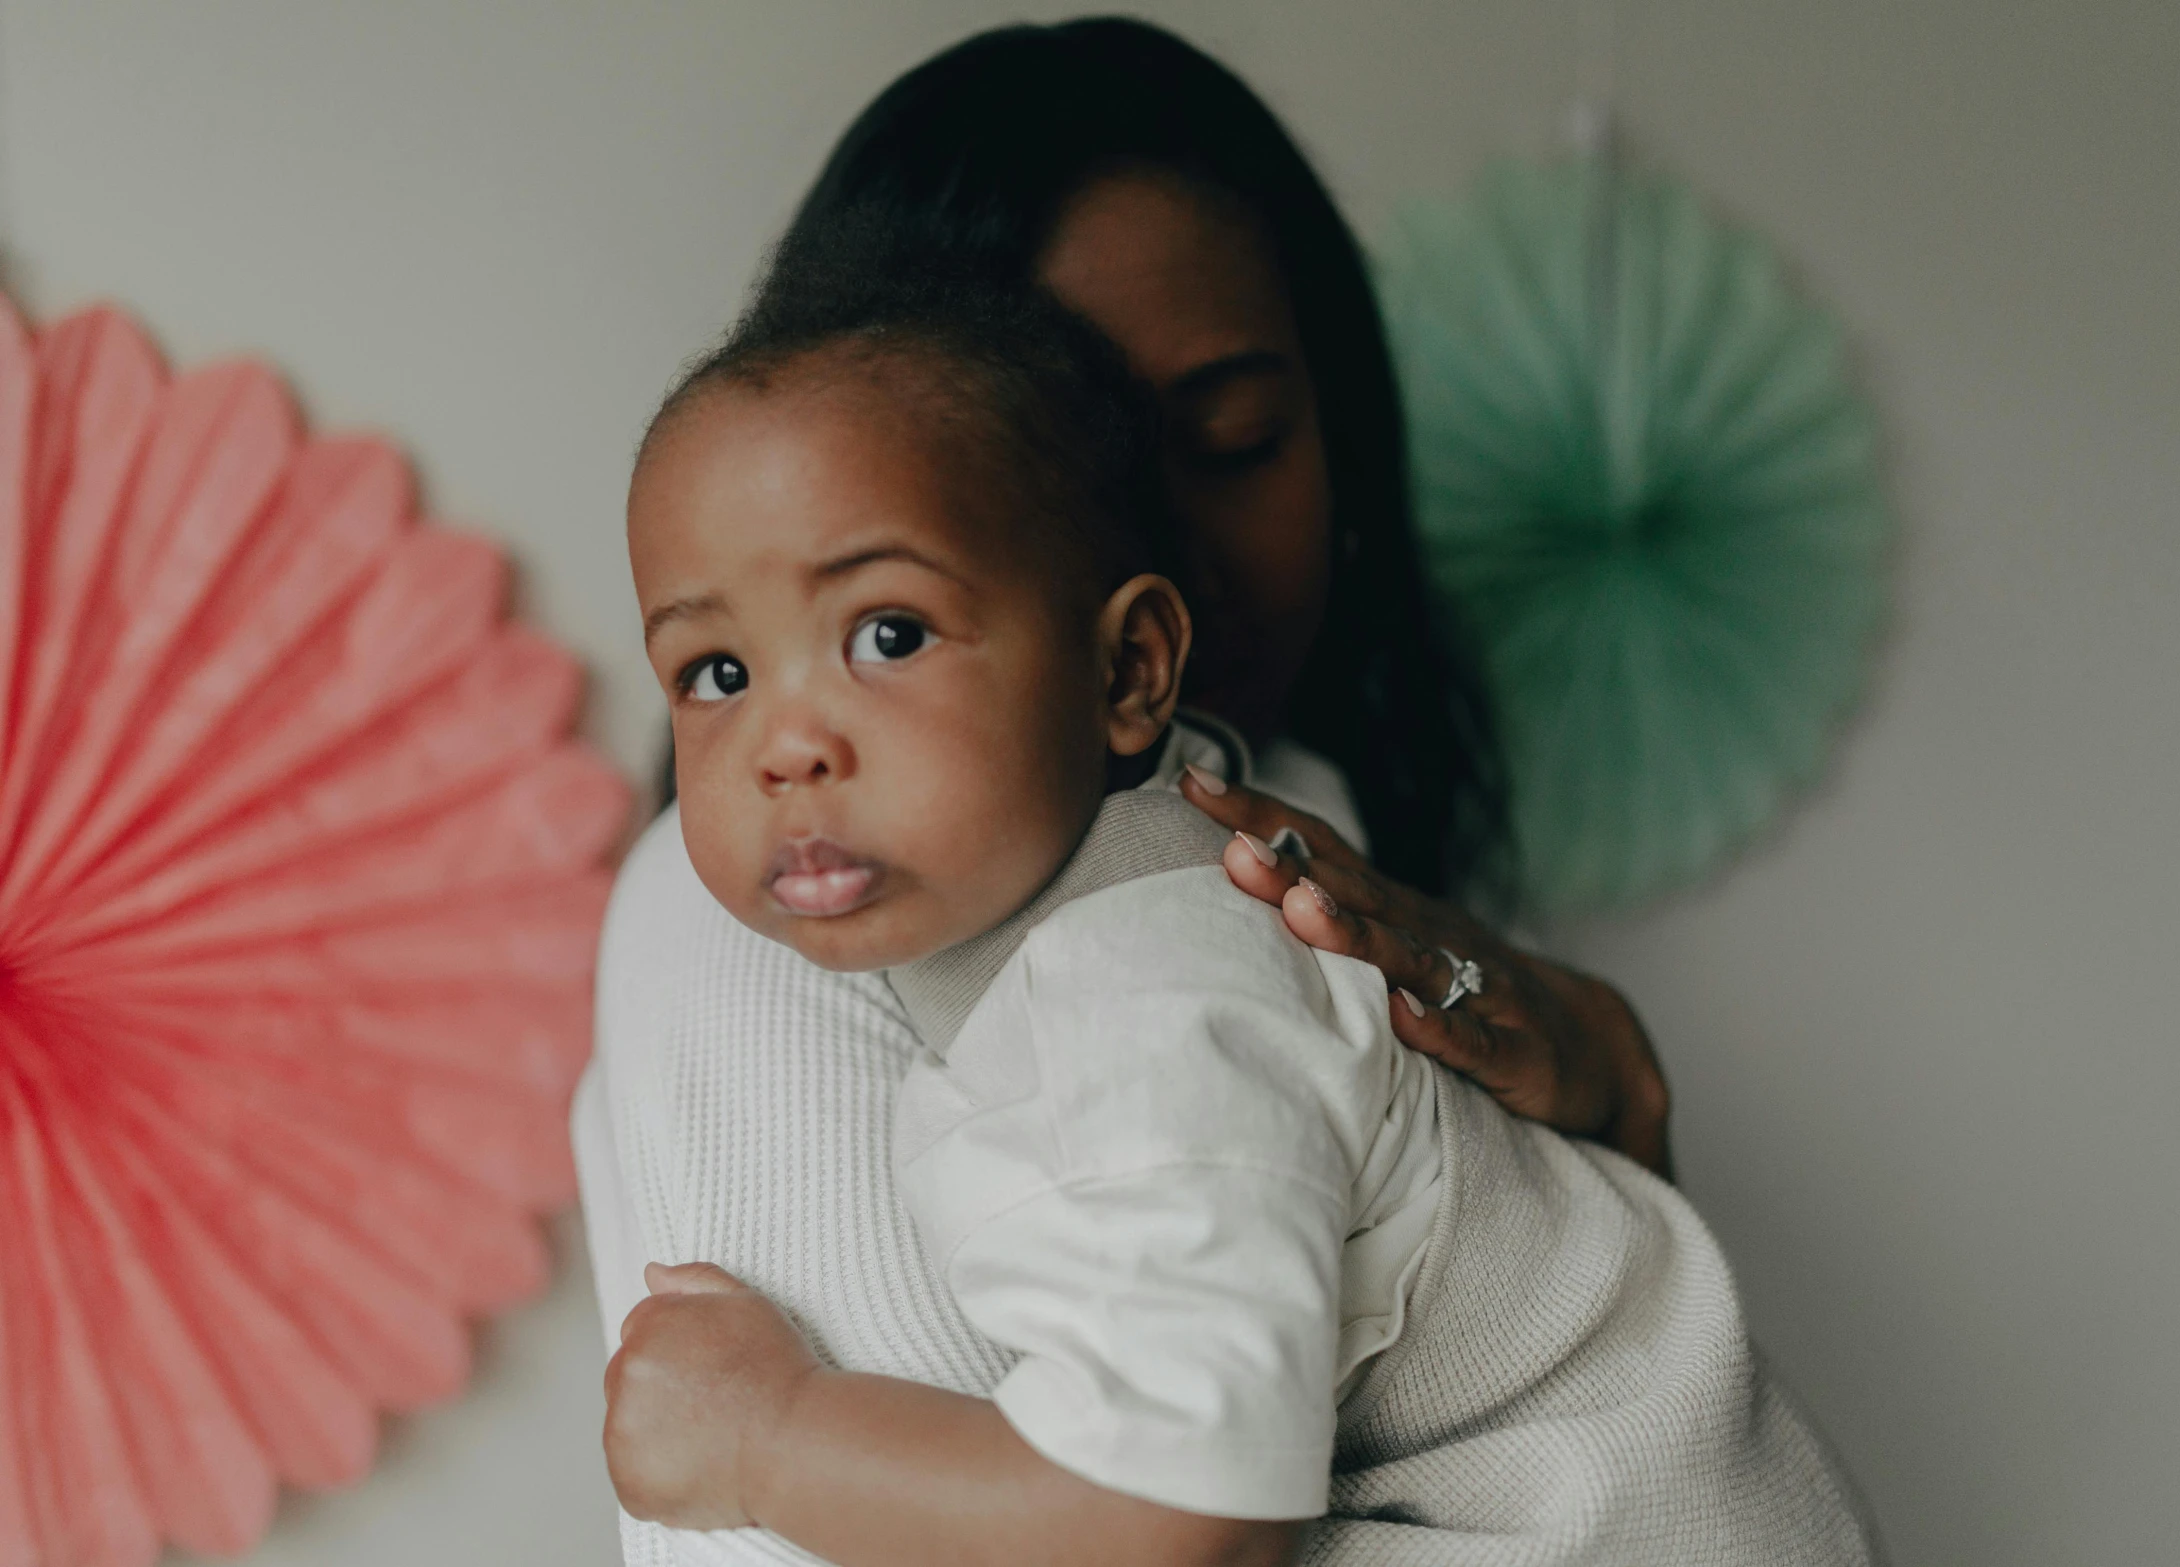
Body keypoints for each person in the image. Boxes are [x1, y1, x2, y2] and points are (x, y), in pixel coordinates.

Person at [570, 17, 1764, 1565]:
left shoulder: (1234, 862)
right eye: (716, 672)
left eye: (1229, 440)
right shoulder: (754, 905)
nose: (1156, 540)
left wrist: (768, 1435)